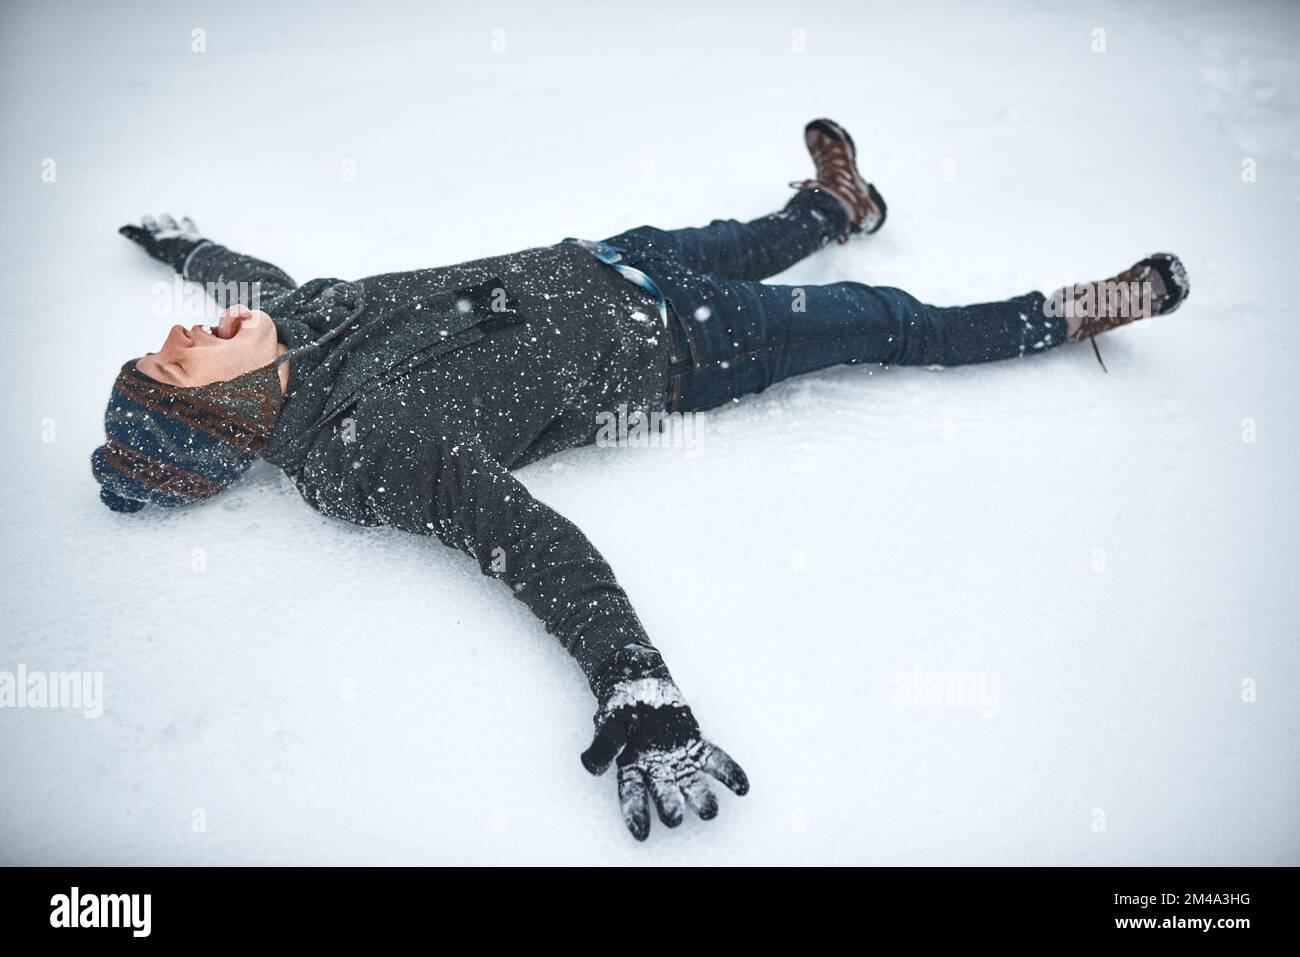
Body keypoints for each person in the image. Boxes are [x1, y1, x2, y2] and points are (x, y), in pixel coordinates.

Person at [92, 119, 1189, 841]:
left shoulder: (303, 321)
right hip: (687, 347)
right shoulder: (366, 453)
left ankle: (837, 210)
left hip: (611, 259)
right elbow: (527, 543)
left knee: (751, 235)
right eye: (178, 355)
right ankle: (1071, 312)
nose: (186, 329)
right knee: (889, 324)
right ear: (220, 411)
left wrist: (189, 251)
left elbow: (255, 280)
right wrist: (633, 679)